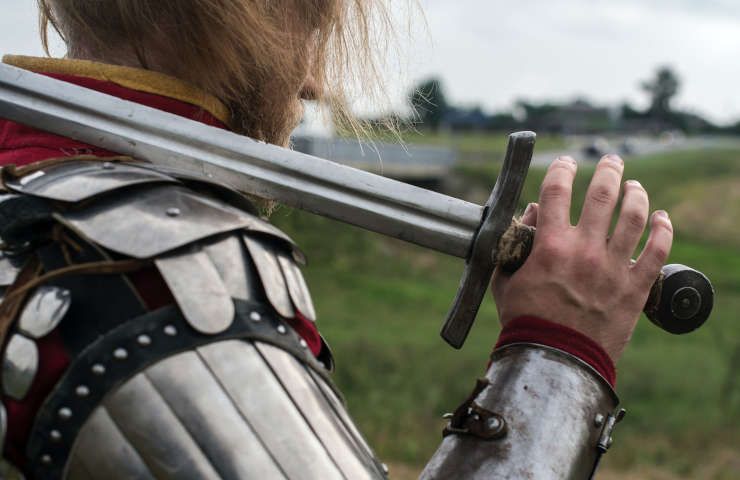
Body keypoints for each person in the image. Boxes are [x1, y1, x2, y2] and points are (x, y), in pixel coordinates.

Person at [0, 1, 672, 478]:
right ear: (244, 15)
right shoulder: (164, 275)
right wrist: (558, 351)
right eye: (313, 22)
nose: (315, 83)